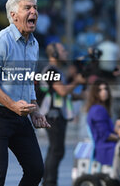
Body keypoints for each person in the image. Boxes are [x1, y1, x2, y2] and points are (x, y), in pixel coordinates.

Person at [0, 0, 50, 186]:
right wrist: (13, 105)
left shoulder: (33, 43)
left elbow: (27, 81)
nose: (34, 11)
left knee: (36, 170)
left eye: (35, 8)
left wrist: (34, 109)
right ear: (13, 15)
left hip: (19, 113)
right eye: (27, 8)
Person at [41, 42, 85, 186]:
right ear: (54, 54)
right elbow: (62, 91)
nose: (65, 53)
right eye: (63, 50)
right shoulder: (51, 71)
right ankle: (49, 182)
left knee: (55, 150)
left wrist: (81, 95)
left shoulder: (57, 71)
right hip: (53, 115)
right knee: (56, 150)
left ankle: (48, 181)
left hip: (58, 114)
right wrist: (77, 82)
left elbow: (63, 94)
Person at [86, 79, 117, 166]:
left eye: (106, 89)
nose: (104, 92)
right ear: (95, 93)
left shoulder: (98, 108)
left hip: (105, 145)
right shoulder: (98, 110)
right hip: (105, 147)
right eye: (100, 90)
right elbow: (105, 134)